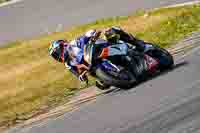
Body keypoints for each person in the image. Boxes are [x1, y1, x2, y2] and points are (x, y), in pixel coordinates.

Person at [48, 26, 153, 82]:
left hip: (101, 48)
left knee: (111, 31)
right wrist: (82, 77)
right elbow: (78, 74)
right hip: (94, 66)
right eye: (55, 56)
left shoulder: (74, 44)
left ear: (63, 45)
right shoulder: (68, 64)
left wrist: (91, 35)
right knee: (102, 83)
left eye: (57, 53)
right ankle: (117, 73)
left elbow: (86, 37)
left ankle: (138, 44)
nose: (58, 56)